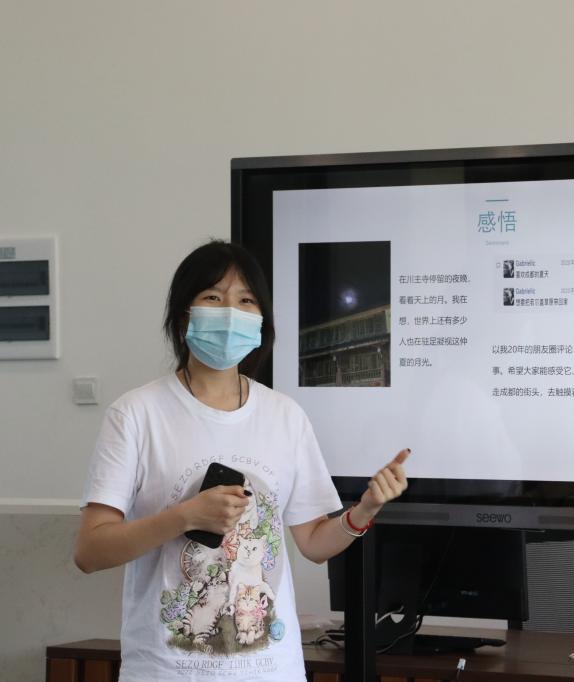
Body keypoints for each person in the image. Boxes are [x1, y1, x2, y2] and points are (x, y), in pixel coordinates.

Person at [73, 239, 409, 681]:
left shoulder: (285, 416)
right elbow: (90, 551)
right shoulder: (136, 414)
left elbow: (313, 543)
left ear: (261, 320)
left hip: (273, 670)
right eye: (214, 297)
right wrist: (184, 517)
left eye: (246, 300)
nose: (231, 312)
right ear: (183, 315)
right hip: (165, 671)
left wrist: (364, 510)